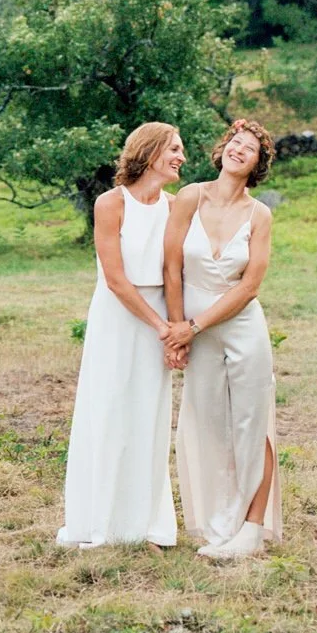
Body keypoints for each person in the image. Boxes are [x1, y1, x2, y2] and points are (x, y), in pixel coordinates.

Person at [57, 122, 186, 549]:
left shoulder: (174, 207)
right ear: (150, 154)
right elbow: (116, 279)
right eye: (174, 149)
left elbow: (173, 274)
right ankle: (101, 523)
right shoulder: (111, 204)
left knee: (149, 416)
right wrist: (159, 325)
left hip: (159, 321)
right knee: (110, 411)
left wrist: (175, 333)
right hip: (118, 319)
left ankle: (148, 525)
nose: (181, 158)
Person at [161, 118, 282, 561]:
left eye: (249, 148)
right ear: (223, 148)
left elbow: (249, 286)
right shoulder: (190, 197)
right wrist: (179, 331)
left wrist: (192, 326)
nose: (239, 149)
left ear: (256, 164)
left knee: (252, 422)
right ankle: (220, 524)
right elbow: (171, 268)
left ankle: (252, 528)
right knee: (209, 422)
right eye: (236, 141)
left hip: (241, 325)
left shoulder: (259, 215)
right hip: (194, 328)